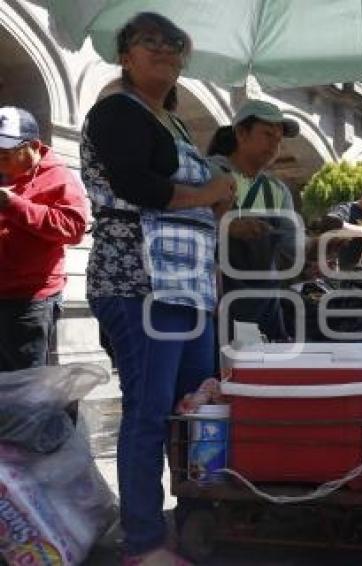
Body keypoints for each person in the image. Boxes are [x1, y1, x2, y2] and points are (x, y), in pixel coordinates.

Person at [80, 13, 236, 565]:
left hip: (189, 289)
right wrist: (211, 191)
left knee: (200, 409)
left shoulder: (172, 122)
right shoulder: (116, 112)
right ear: (125, 54)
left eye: (175, 44)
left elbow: (196, 196)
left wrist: (219, 197)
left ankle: (200, 513)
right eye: (151, 42)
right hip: (138, 284)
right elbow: (137, 186)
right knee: (149, 413)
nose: (166, 50)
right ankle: (144, 542)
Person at [0, 106, 87, 371]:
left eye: (5, 154)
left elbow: (73, 228)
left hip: (30, 300)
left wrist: (14, 204)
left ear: (34, 146)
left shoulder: (60, 177)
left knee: (25, 386)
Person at [206, 99, 300, 342]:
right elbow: (188, 227)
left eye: (278, 140)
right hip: (214, 306)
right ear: (241, 133)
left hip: (265, 309)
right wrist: (228, 227)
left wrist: (315, 251)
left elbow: (290, 253)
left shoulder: (279, 191)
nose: (274, 145)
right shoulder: (208, 173)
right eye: (267, 135)